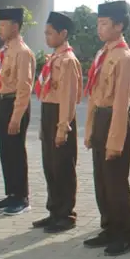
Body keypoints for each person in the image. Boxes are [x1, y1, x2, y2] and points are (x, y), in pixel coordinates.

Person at [82, 1, 130, 256]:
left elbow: (122, 101)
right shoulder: (103, 53)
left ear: (119, 26)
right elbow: (94, 95)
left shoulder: (125, 57)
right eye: (98, 23)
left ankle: (126, 233)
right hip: (101, 119)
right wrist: (90, 129)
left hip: (115, 119)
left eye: (105, 24)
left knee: (115, 180)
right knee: (101, 179)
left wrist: (115, 141)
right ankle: (109, 227)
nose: (100, 28)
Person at [33, 12, 82, 233]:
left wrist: (63, 126)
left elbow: (68, 97)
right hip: (48, 111)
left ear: (63, 33)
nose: (47, 37)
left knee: (62, 166)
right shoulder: (54, 57)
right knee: (50, 166)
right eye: (45, 33)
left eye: (50, 33)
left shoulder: (68, 61)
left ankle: (66, 213)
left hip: (61, 115)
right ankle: (53, 210)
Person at [0, 7, 36, 216]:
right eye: (0, 24)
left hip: (15, 104)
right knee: (5, 152)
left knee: (16, 151)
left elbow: (24, 87)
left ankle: (22, 197)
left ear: (15, 27)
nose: (0, 29)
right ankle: (11, 193)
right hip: (2, 103)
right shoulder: (4, 51)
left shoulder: (23, 52)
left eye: (4, 25)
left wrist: (16, 117)